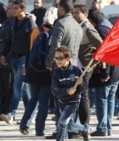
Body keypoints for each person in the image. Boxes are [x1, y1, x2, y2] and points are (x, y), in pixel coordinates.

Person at [45, 0, 83, 139]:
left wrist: (50, 62)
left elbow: (55, 46)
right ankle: (68, 130)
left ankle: (62, 132)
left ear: (61, 9)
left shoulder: (60, 24)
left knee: (59, 100)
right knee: (70, 100)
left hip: (60, 65)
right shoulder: (77, 25)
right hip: (73, 65)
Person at [19, 7, 58, 136]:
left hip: (33, 70)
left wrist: (27, 66)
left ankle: (24, 124)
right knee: (43, 102)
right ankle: (39, 129)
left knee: (33, 98)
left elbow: (29, 50)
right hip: (47, 71)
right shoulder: (55, 32)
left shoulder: (35, 30)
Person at [0, 0, 36, 125]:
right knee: (24, 88)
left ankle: (11, 114)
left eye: (16, 8)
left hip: (24, 59)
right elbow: (9, 40)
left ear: (23, 9)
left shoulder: (29, 23)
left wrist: (28, 62)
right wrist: (4, 54)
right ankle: (29, 114)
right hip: (13, 58)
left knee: (17, 86)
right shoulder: (13, 22)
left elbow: (33, 44)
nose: (13, 10)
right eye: (12, 8)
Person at [88, 9, 119, 136]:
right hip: (116, 70)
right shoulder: (110, 27)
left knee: (101, 99)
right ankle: (108, 127)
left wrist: (104, 72)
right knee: (110, 99)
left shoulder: (100, 30)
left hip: (107, 71)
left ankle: (102, 128)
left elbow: (103, 53)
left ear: (92, 20)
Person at [72, 3, 102, 129]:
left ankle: (85, 127)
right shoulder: (77, 26)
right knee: (75, 96)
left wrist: (92, 62)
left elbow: (101, 46)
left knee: (83, 97)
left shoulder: (87, 28)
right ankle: (76, 126)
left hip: (85, 67)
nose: (74, 15)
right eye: (73, 12)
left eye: (77, 13)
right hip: (76, 65)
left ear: (84, 14)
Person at [51, 46, 89, 141]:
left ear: (67, 58)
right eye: (56, 58)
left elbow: (84, 87)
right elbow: (55, 90)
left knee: (62, 123)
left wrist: (80, 84)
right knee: (69, 126)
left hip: (73, 102)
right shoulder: (56, 73)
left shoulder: (76, 70)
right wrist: (67, 90)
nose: (57, 61)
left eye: (60, 58)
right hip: (61, 101)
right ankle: (84, 129)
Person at [0, 0, 14, 121]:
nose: (8, 10)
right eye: (8, 8)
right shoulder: (6, 21)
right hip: (0, 56)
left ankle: (8, 111)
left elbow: (3, 36)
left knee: (9, 86)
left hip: (8, 58)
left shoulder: (14, 23)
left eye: (10, 8)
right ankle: (1, 111)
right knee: (2, 86)